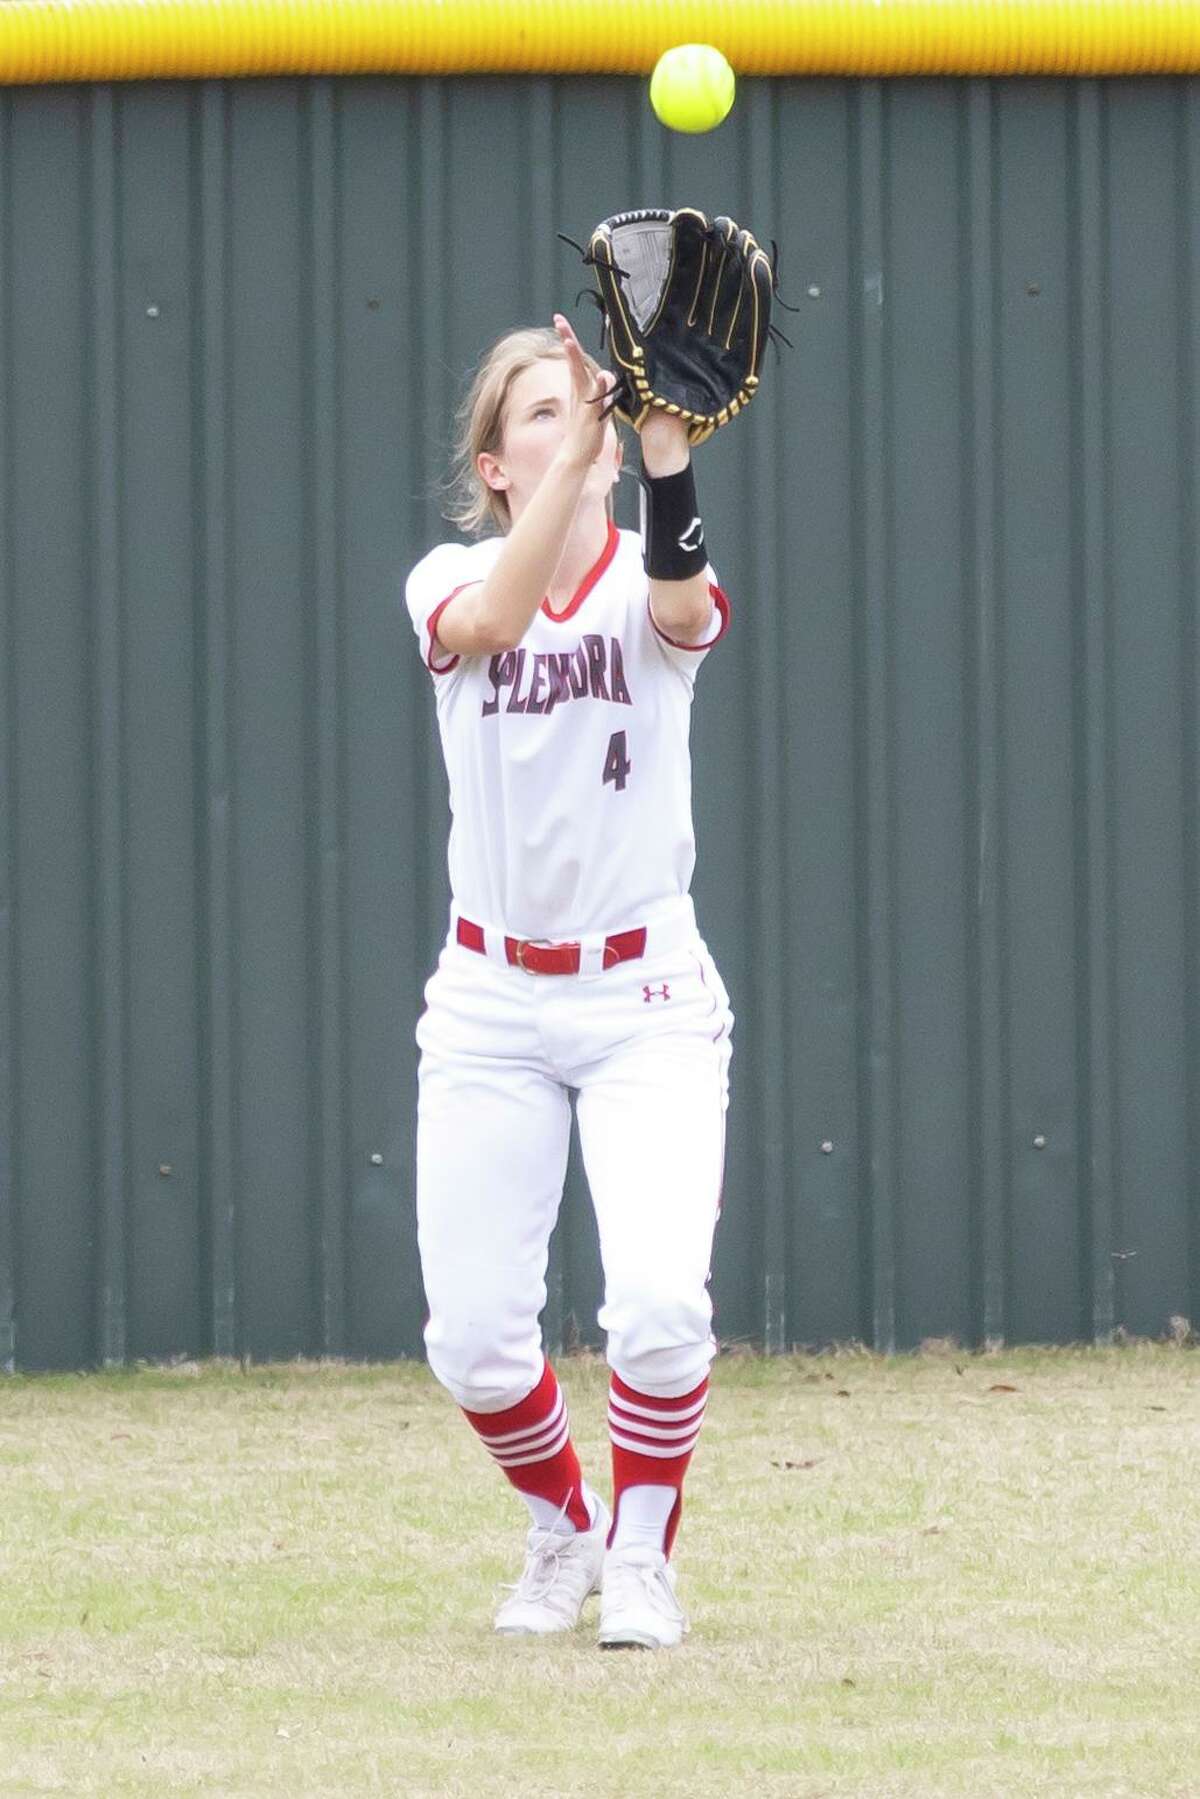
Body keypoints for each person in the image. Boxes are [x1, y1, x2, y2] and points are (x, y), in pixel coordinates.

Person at [403, 310, 733, 1650]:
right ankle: (564, 1527)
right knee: (474, 1338)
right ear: (492, 465)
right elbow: (492, 615)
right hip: (489, 1000)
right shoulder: (444, 576)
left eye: (575, 402)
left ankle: (643, 1555)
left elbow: (681, 606)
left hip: (644, 989)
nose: (567, 421)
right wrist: (587, 452)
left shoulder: (647, 575)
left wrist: (658, 454)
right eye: (539, 412)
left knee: (658, 1308)